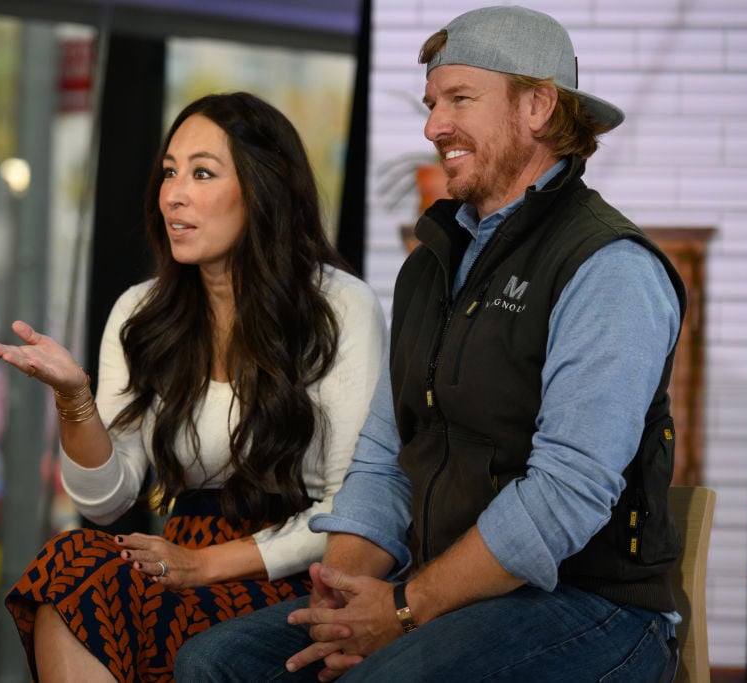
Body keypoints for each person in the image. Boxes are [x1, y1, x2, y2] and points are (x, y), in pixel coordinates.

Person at [174, 6, 688, 681]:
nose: (432, 126)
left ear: (536, 106)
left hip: (593, 605)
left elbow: (565, 493)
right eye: (431, 103)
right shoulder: (432, 264)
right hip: (447, 596)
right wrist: (345, 594)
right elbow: (387, 455)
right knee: (214, 661)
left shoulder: (609, 266)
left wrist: (406, 607)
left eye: (459, 99)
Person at [0, 91, 387, 682]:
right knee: (69, 564)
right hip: (176, 558)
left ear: (263, 187)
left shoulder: (339, 305)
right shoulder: (140, 312)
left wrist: (207, 566)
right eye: (170, 173)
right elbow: (106, 502)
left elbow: (351, 507)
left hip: (295, 567)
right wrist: (74, 398)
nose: (173, 194)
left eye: (202, 173)